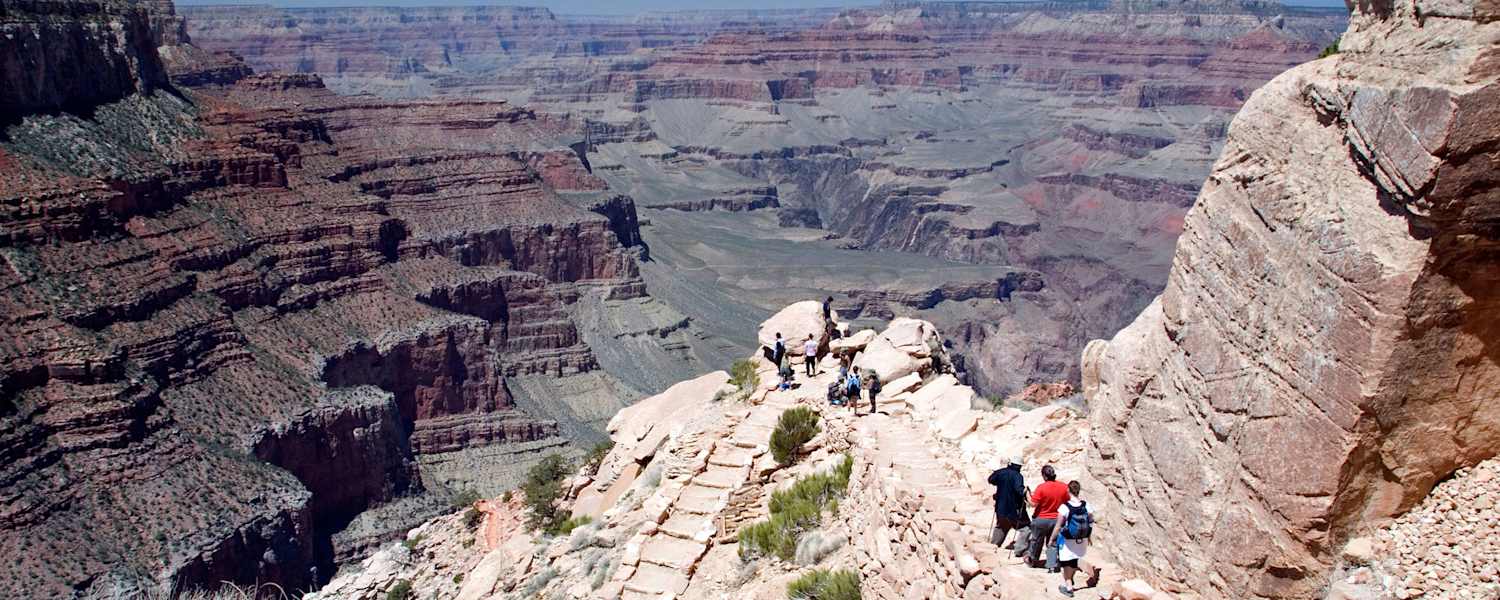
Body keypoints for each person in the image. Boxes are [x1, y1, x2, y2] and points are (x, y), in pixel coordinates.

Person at [1050, 480, 1099, 597]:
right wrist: (1089, 536)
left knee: (1066, 563)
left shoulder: (1064, 507)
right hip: (1082, 539)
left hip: (1068, 540)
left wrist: (1052, 538)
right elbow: (1091, 521)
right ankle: (1077, 578)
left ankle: (1069, 587)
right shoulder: (1086, 505)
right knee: (1074, 560)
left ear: (1068, 490)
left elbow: (1058, 526)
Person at [1024, 465, 1069, 570]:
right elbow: (1067, 501)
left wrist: (1027, 495)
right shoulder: (1064, 487)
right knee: (1053, 541)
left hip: (1041, 518)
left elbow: (1033, 503)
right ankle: (1052, 564)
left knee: (1036, 540)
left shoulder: (1041, 487)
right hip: (1057, 519)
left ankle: (1033, 561)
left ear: (1044, 476)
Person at [987, 457, 1029, 552]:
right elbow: (1019, 490)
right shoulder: (1018, 476)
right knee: (1025, 528)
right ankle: (1019, 549)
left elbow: (991, 479)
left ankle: (993, 547)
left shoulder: (1000, 472)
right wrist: (1025, 492)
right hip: (1014, 508)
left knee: (1002, 526)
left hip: (1000, 507)